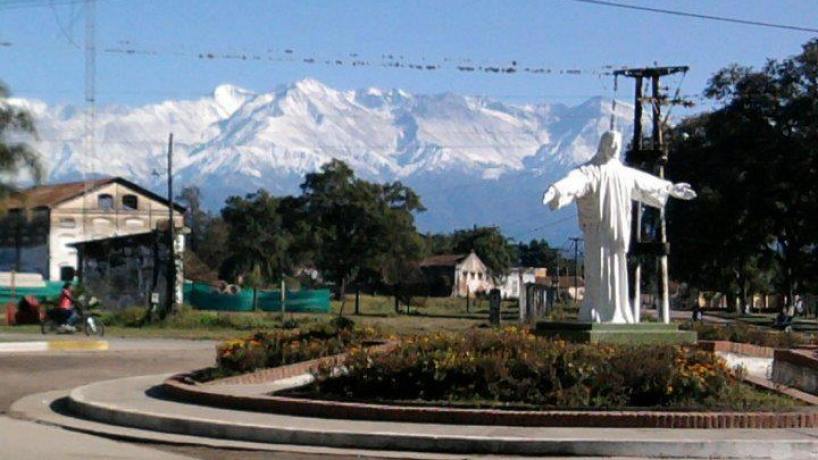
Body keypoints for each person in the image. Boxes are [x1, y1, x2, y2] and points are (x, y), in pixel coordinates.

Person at [542, 130, 696, 323]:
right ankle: (596, 311)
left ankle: (617, 312)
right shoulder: (591, 171)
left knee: (617, 271)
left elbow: (645, 183)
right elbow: (574, 182)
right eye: (611, 144)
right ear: (603, 144)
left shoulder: (623, 173)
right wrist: (556, 190)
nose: (614, 148)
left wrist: (670, 188)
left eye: (617, 144)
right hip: (597, 232)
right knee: (597, 270)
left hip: (617, 234)